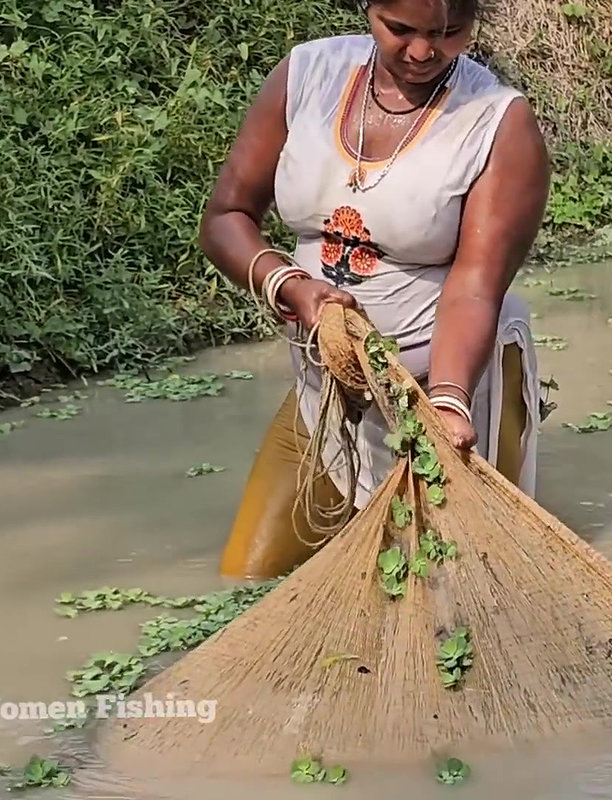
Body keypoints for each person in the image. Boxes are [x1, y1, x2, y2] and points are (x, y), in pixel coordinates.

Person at [199, 0, 552, 581]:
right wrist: (290, 285)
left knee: (458, 590)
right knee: (250, 574)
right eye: (400, 29)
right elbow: (226, 217)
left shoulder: (495, 121)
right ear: (369, 8)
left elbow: (476, 285)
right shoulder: (307, 76)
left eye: (448, 33)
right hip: (328, 382)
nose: (421, 52)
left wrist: (447, 402)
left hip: (447, 389)